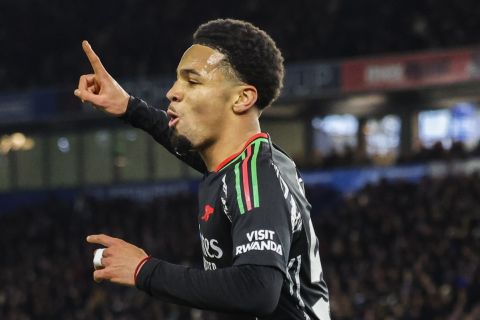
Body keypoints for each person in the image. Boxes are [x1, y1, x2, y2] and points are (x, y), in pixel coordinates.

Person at [74, 18, 331, 320]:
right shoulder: (241, 164)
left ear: (242, 98)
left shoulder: (256, 176)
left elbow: (257, 288)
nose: (172, 92)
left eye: (192, 81)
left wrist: (143, 269)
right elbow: (189, 149)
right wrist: (130, 107)